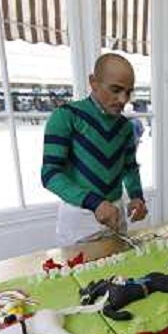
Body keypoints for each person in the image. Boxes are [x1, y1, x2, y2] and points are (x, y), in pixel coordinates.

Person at [41, 53, 148, 247]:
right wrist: (95, 203)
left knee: (120, 274)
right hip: (79, 217)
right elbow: (50, 174)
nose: (123, 99)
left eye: (128, 92)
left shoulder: (125, 127)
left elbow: (129, 167)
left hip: (116, 214)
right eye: (115, 90)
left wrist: (137, 197)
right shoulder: (66, 116)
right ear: (93, 82)